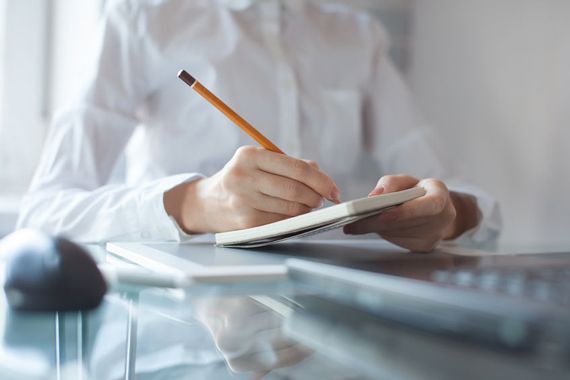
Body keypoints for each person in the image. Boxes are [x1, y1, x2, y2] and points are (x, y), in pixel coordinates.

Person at [17, 0, 501, 252]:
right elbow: (42, 215)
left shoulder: (356, 36)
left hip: (336, 339)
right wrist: (195, 203)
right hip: (178, 346)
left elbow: (469, 200)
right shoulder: (142, 20)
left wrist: (448, 214)